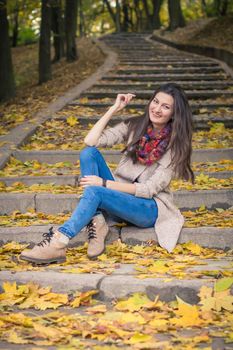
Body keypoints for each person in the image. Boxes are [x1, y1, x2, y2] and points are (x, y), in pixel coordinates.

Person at [20, 83, 194, 265]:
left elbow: (148, 190)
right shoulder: (135, 126)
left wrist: (103, 183)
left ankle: (58, 242)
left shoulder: (176, 146)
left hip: (148, 209)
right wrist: (114, 108)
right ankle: (97, 222)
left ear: (174, 113)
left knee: (95, 190)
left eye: (165, 107)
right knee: (88, 153)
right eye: (155, 102)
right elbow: (90, 141)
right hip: (119, 200)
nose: (157, 109)